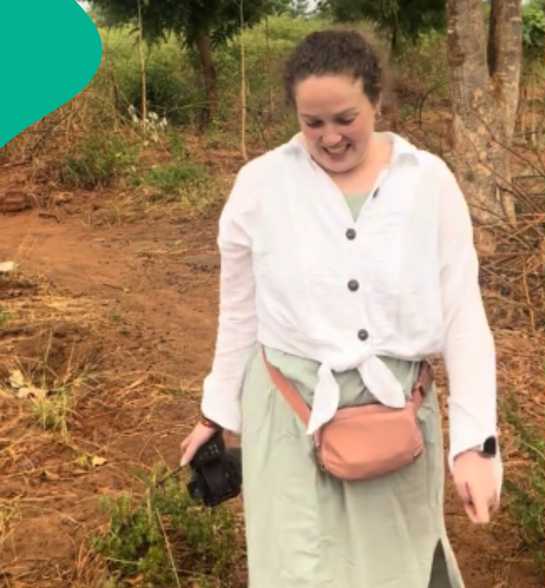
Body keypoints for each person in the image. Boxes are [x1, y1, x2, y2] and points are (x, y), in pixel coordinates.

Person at [177, 29, 501, 586]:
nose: (329, 138)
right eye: (313, 123)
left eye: (345, 118)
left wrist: (476, 445)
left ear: (377, 102)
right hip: (288, 414)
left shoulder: (427, 183)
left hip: (396, 410)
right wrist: (217, 413)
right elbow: (239, 315)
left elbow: (463, 316)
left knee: (400, 565)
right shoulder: (260, 186)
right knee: (298, 568)